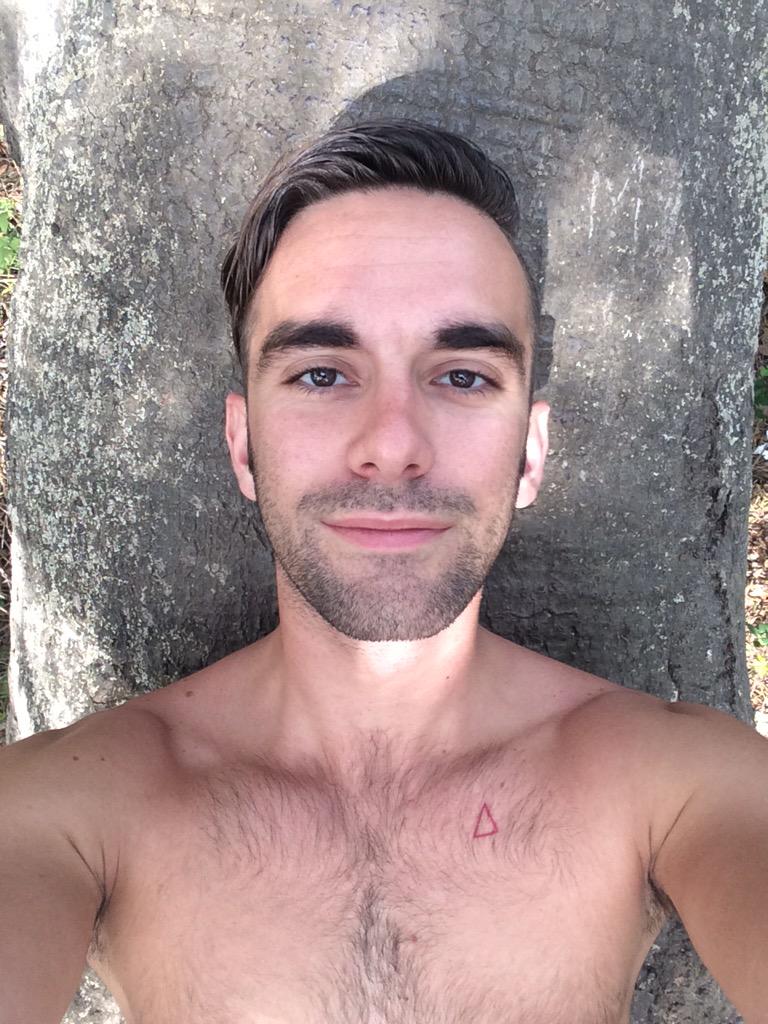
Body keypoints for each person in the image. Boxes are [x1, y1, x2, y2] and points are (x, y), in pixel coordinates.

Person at [2, 121, 766, 1024]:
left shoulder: (678, 784)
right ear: (244, 446)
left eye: (464, 376)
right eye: (322, 375)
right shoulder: (70, 809)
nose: (393, 445)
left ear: (531, 452)